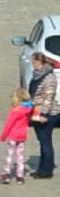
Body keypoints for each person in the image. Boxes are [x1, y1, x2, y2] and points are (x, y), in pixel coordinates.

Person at [28, 50, 58, 179]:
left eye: (33, 61)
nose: (32, 64)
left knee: (46, 142)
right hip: (36, 111)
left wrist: (44, 114)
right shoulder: (37, 74)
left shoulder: (49, 77)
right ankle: (42, 168)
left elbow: (49, 96)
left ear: (39, 62)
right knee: (42, 141)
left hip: (48, 113)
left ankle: (47, 171)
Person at [1, 89, 34, 184]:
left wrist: (3, 136)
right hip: (22, 136)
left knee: (9, 155)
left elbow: (9, 125)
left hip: (13, 136)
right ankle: (20, 176)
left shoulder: (15, 111)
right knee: (20, 156)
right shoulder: (28, 109)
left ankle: (6, 175)